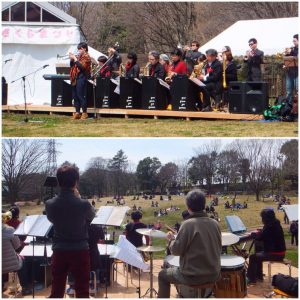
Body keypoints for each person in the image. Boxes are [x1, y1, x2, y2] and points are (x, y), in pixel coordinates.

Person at [158, 189, 222, 298]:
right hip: (214, 274)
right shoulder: (215, 223)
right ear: (204, 205)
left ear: (188, 207)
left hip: (193, 276)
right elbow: (219, 248)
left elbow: (176, 251)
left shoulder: (187, 224)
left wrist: (171, 240)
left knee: (162, 275)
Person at [45, 165, 96, 298]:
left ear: (58, 181)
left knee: (57, 289)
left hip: (59, 249)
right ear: (76, 181)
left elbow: (52, 219)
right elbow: (91, 216)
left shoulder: (50, 204)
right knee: (82, 290)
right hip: (80, 250)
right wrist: (78, 198)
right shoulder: (84, 204)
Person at [247, 208, 286, 284]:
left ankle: (251, 278)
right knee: (258, 252)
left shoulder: (269, 227)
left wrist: (254, 235)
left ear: (266, 218)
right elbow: (266, 235)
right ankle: (258, 276)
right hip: (281, 252)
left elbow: (261, 237)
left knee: (253, 257)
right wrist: (261, 232)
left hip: (276, 254)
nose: (262, 219)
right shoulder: (276, 224)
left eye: (263, 218)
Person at [69, 42, 91, 120]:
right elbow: (73, 66)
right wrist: (72, 60)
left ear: (84, 48)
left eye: (80, 49)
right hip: (75, 77)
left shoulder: (87, 56)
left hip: (82, 77)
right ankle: (77, 112)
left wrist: (75, 59)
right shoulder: (79, 56)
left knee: (80, 95)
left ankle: (84, 113)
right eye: (78, 49)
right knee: (75, 96)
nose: (79, 51)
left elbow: (82, 67)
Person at [284, 34, 298, 107]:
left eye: (295, 41)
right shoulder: (292, 48)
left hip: (298, 74)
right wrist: (287, 54)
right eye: (293, 41)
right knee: (289, 92)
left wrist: (291, 52)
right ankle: (287, 109)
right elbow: (286, 58)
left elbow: (297, 57)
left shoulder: (295, 50)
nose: (293, 42)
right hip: (290, 73)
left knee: (298, 91)